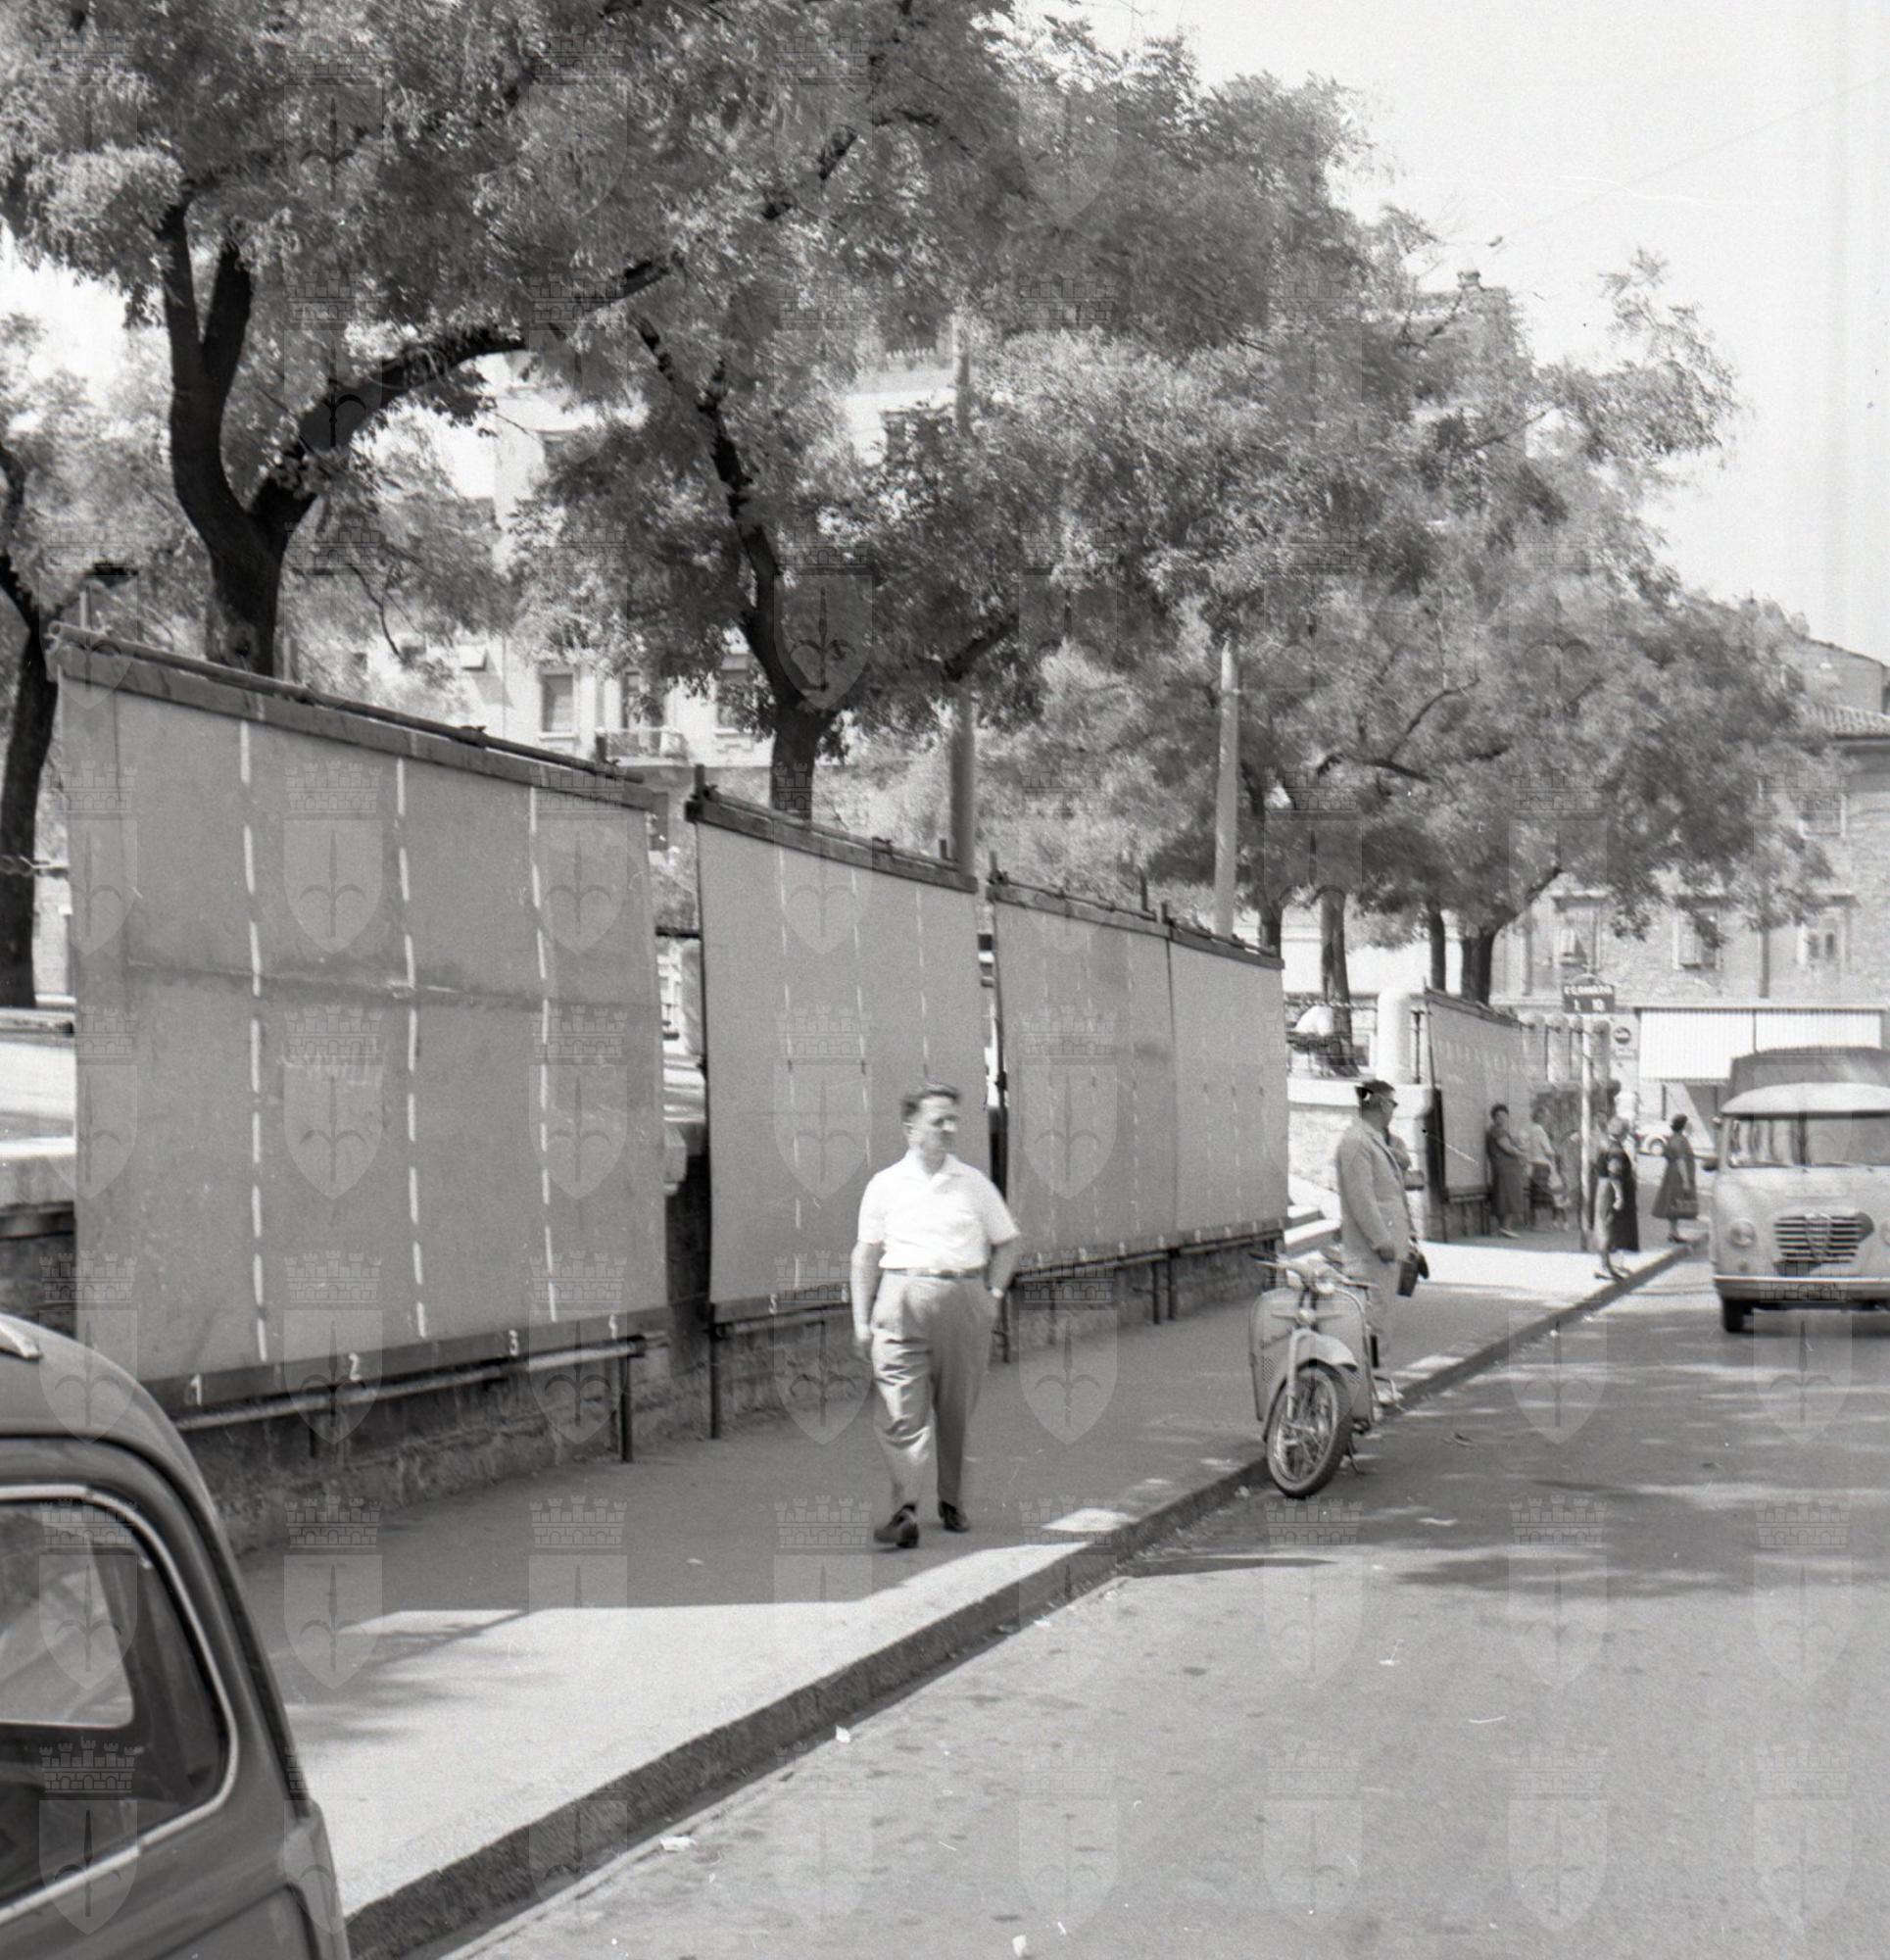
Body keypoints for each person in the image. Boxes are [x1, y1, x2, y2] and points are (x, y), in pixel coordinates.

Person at [850, 1086, 1021, 1550]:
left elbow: (1008, 1243)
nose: (949, 1129)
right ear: (911, 1130)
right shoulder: (885, 1185)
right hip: (900, 1299)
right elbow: (865, 1255)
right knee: (898, 1410)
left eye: (953, 1120)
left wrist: (992, 1295)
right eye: (938, 1121)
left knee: (955, 1409)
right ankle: (904, 1509)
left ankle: (952, 1500)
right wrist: (860, 1321)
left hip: (962, 1299)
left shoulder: (973, 1183)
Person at [1334, 1079, 1414, 1408]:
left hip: (1383, 1249)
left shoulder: (1371, 1139)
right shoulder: (1356, 1141)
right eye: (1392, 1104)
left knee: (1380, 1318)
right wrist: (1381, 1239)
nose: (1393, 1111)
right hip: (1371, 1250)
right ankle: (1374, 1385)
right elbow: (1361, 1197)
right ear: (1381, 1104)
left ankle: (1374, 1383)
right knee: (1374, 1320)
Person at [1651, 1112, 1699, 1244]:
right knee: (1676, 1202)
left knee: (1672, 1202)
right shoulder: (1680, 1140)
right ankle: (1673, 1232)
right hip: (1678, 1175)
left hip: (1671, 1173)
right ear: (1683, 1125)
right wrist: (1685, 1180)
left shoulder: (1672, 1138)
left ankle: (1673, 1232)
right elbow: (1680, 1160)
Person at [1485, 1103, 1531, 1238]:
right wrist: (1522, 1155)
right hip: (1506, 1169)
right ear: (1494, 1117)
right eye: (1498, 1116)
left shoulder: (1496, 1131)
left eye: (1504, 1115)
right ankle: (1506, 1226)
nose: (1502, 1118)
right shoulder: (1498, 1131)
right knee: (1510, 1196)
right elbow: (1507, 1148)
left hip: (1505, 1168)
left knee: (1504, 1196)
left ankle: (1503, 1227)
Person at [1594, 1142, 1634, 1280]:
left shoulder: (1604, 1147)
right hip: (1609, 1192)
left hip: (1602, 1189)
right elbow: (1614, 1174)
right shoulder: (1615, 1151)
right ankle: (1604, 1267)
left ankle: (1606, 1265)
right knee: (1607, 1228)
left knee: (1604, 1227)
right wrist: (1619, 1195)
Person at [1525, 1101, 1568, 1228]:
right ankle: (1538, 1223)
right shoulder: (1540, 1132)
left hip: (1532, 1164)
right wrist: (1556, 1154)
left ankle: (1533, 1222)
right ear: (1541, 1117)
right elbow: (1548, 1150)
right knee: (1542, 1193)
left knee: (1534, 1193)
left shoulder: (1530, 1130)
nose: (1548, 1119)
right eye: (1547, 1116)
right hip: (1542, 1164)